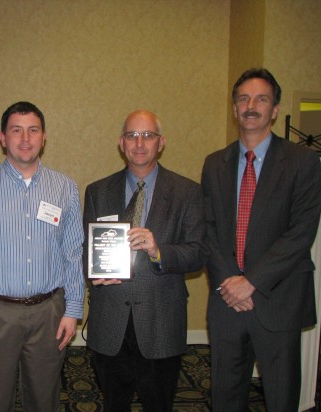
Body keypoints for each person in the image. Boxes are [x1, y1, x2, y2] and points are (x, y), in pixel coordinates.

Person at [0, 101, 85, 411]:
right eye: (16, 130)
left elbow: (73, 252)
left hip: (49, 313)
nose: (25, 138)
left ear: (44, 137)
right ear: (2, 137)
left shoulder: (65, 188)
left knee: (44, 399)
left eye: (33, 130)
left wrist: (72, 309)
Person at [202, 68, 321, 411]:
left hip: (278, 299)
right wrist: (230, 281)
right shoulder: (214, 164)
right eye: (243, 98)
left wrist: (251, 282)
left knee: (282, 398)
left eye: (261, 99)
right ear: (234, 108)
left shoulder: (302, 161)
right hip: (227, 301)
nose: (251, 105)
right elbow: (207, 228)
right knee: (225, 396)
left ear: (274, 109)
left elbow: (301, 232)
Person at [83, 110, 205, 411]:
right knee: (114, 404)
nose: (139, 143)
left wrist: (158, 250)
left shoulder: (187, 192)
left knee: (158, 405)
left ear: (160, 142)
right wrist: (92, 273)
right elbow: (86, 248)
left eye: (147, 135)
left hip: (160, 322)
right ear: (121, 143)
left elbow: (197, 253)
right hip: (109, 321)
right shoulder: (97, 191)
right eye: (132, 135)